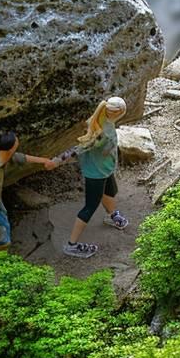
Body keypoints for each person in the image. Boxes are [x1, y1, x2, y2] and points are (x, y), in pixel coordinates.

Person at [52, 97, 130, 259]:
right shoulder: (103, 133)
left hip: (105, 169)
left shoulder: (102, 118)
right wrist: (59, 160)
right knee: (90, 207)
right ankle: (71, 245)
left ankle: (112, 215)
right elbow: (81, 148)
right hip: (95, 173)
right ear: (119, 113)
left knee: (111, 191)